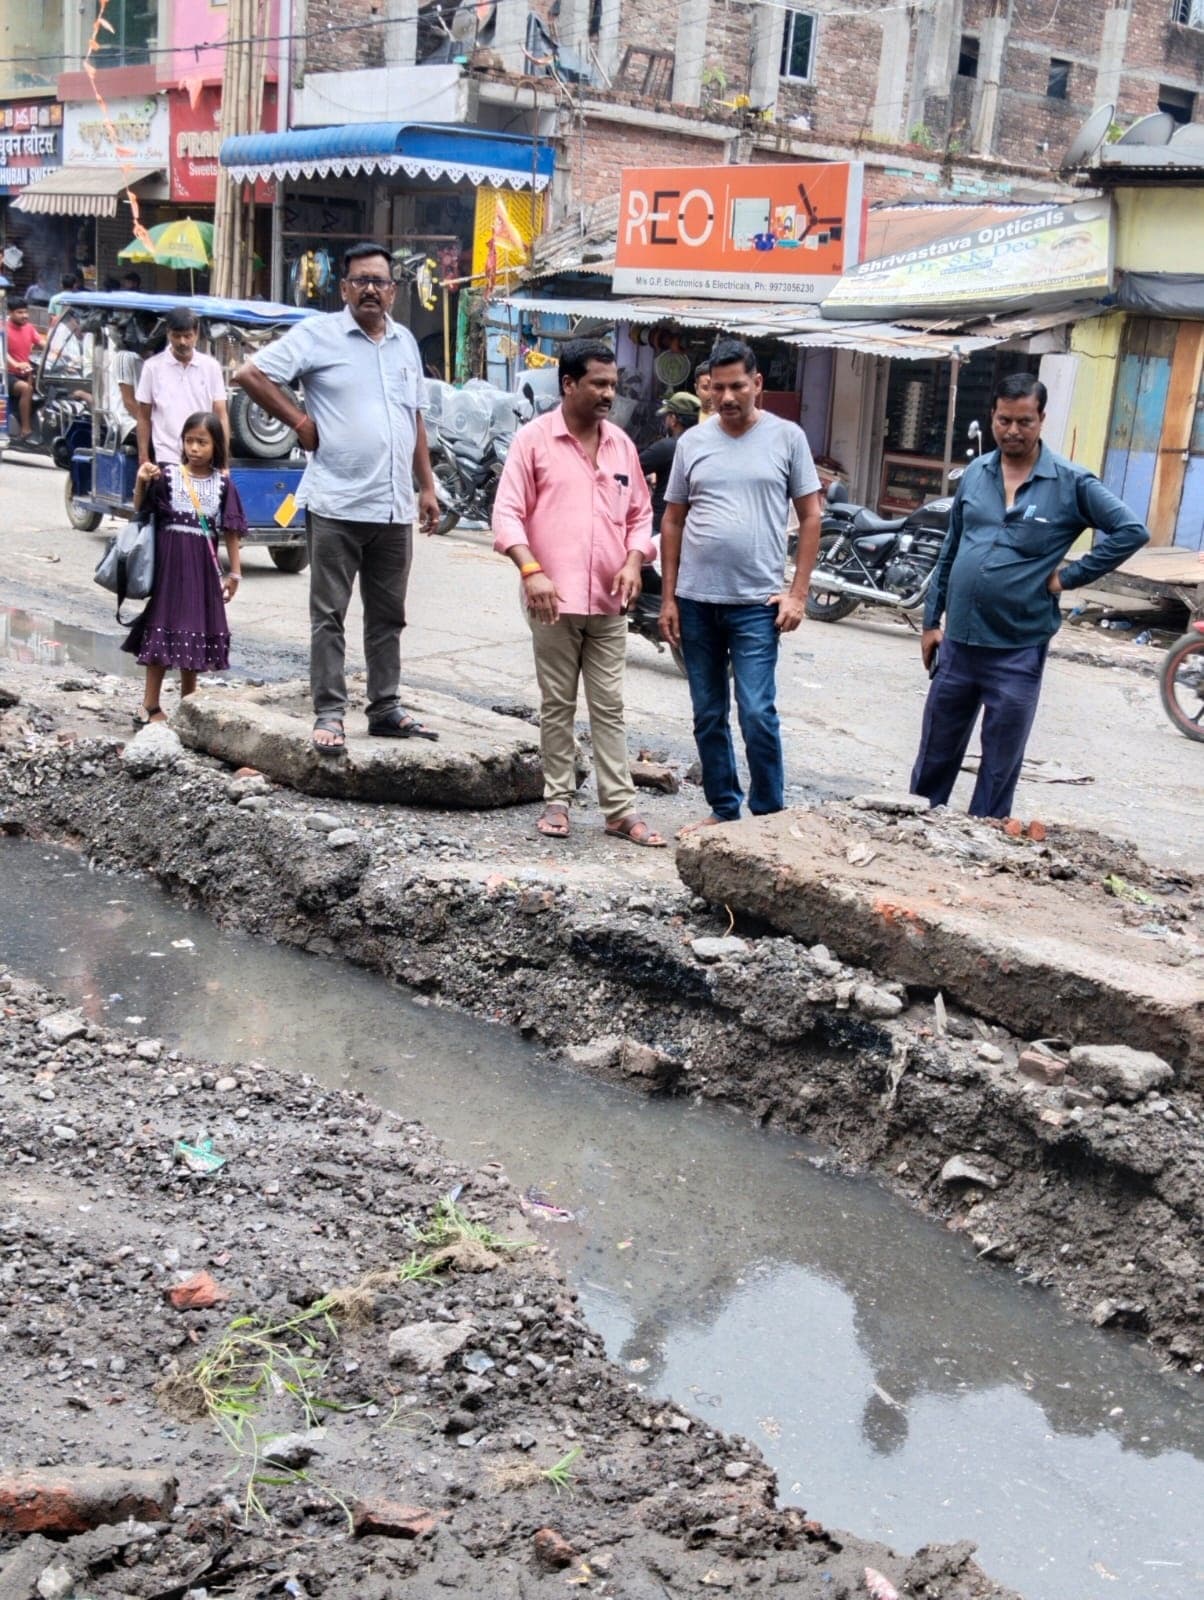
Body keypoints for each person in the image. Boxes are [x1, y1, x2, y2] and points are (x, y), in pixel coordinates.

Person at [232, 241, 440, 755]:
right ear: (344, 288)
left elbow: (414, 417)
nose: (371, 289)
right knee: (329, 615)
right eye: (360, 281)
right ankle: (329, 712)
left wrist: (427, 485)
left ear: (393, 291)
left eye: (380, 281)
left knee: (388, 615)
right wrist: (299, 421)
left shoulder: (405, 343)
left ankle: (385, 708)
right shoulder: (318, 335)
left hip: (392, 508)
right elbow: (249, 374)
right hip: (337, 505)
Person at [911, 372, 1149, 819]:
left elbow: (1131, 531)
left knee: (999, 762)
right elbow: (950, 550)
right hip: (958, 643)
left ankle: (982, 847)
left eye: (1024, 421)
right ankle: (917, 832)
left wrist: (1069, 577)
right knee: (935, 754)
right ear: (993, 416)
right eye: (1004, 420)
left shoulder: (1071, 482)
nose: (1013, 431)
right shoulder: (976, 474)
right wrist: (930, 623)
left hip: (1017, 649)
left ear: (1042, 419)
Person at [492, 338, 665, 847]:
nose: (609, 393)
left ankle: (619, 810)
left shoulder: (622, 447)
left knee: (609, 704)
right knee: (558, 703)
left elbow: (639, 514)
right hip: (552, 601)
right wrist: (531, 570)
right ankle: (557, 801)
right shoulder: (534, 441)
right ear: (569, 384)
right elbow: (506, 514)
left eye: (613, 383)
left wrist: (635, 560)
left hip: (611, 602)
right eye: (599, 383)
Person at [659, 338, 822, 835]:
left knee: (756, 712)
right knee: (708, 714)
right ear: (706, 390)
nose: (727, 397)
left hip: (756, 603)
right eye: (717, 388)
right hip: (696, 601)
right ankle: (725, 809)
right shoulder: (692, 443)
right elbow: (672, 521)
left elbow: (811, 516)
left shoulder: (787, 439)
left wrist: (797, 593)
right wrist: (667, 597)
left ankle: (768, 815)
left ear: (757, 385)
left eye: (737, 386)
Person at [121, 410, 245, 727]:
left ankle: (189, 704)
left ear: (216, 446)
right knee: (162, 624)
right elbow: (139, 508)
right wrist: (140, 482)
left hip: (203, 570)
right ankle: (149, 705)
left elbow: (231, 531)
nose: (194, 448)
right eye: (189, 441)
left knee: (196, 628)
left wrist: (235, 573)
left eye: (202, 442)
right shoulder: (167, 476)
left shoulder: (223, 486)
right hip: (170, 566)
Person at [136, 307, 227, 468]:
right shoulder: (152, 367)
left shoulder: (211, 367)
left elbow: (220, 415)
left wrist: (224, 462)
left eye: (187, 336)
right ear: (168, 333)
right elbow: (143, 416)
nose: (182, 342)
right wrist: (144, 457)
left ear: (196, 334)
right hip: (167, 456)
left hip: (203, 457)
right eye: (176, 336)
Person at [639, 391, 702, 533]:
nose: (665, 421)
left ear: (673, 419)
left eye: (667, 416)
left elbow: (630, 469)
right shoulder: (703, 446)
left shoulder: (667, 446)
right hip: (691, 527)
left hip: (661, 526)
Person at [5, 298, 46, 442]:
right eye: (19, 312)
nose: (24, 315)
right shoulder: (2, 328)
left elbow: (43, 344)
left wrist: (60, 353)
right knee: (26, 389)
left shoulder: (29, 328)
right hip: (7, 375)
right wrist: (16, 364)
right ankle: (25, 429)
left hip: (26, 373)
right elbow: (2, 352)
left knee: (47, 387)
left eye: (26, 312)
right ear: (10, 313)